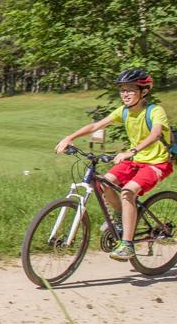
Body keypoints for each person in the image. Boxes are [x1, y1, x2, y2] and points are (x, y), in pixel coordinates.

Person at [56, 68, 172, 260]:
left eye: (130, 90)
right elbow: (96, 126)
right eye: (122, 90)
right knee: (103, 183)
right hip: (135, 160)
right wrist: (70, 137)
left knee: (128, 192)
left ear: (144, 91)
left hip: (157, 163)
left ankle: (127, 245)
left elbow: (156, 134)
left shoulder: (154, 111)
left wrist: (131, 151)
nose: (125, 94)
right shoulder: (124, 111)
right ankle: (121, 219)